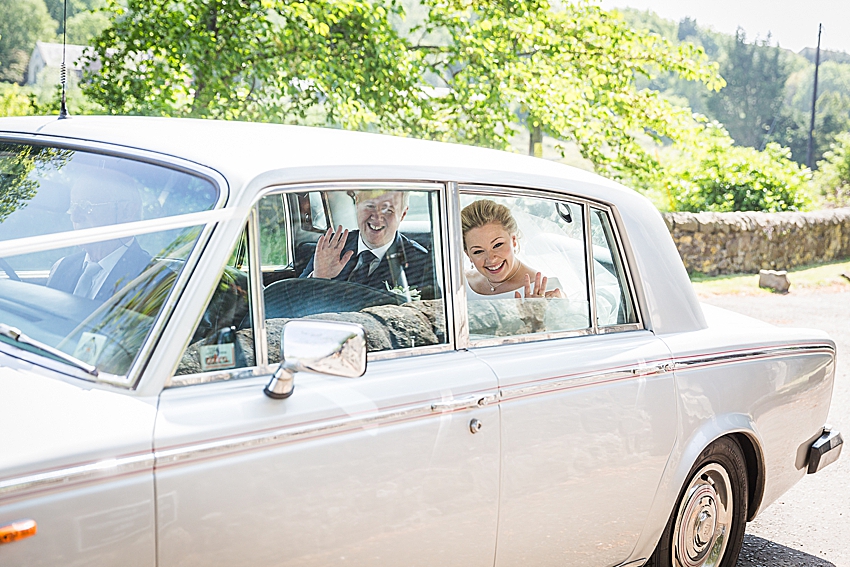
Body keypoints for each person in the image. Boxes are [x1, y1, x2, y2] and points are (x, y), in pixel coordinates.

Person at [299, 190, 433, 297]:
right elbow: (293, 304)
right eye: (370, 206)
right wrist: (319, 277)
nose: (377, 217)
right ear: (357, 204)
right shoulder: (331, 247)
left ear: (403, 214)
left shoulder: (421, 262)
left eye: (389, 210)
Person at [46, 169, 153, 301]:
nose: (75, 217)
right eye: (73, 206)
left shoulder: (153, 281)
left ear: (127, 211)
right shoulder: (62, 267)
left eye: (86, 206)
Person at [461, 199, 563, 300]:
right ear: (468, 255)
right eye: (478, 251)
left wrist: (535, 316)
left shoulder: (546, 291)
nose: (491, 259)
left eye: (497, 245)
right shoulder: (458, 284)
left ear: (513, 241)